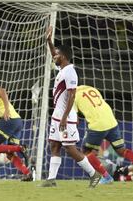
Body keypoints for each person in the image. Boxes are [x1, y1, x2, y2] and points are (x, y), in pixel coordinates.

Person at [40, 26, 101, 188]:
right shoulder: (62, 69)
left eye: (58, 54)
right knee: (54, 145)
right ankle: (51, 180)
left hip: (65, 117)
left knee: (70, 149)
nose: (54, 56)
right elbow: (53, 54)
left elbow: (72, 95)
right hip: (57, 116)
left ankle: (94, 174)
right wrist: (49, 41)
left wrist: (65, 117)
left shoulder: (70, 72)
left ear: (64, 56)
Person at [74, 85, 133, 184]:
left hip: (97, 124)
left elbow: (75, 119)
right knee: (121, 150)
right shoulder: (91, 88)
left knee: (86, 152)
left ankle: (106, 177)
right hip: (112, 121)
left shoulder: (72, 95)